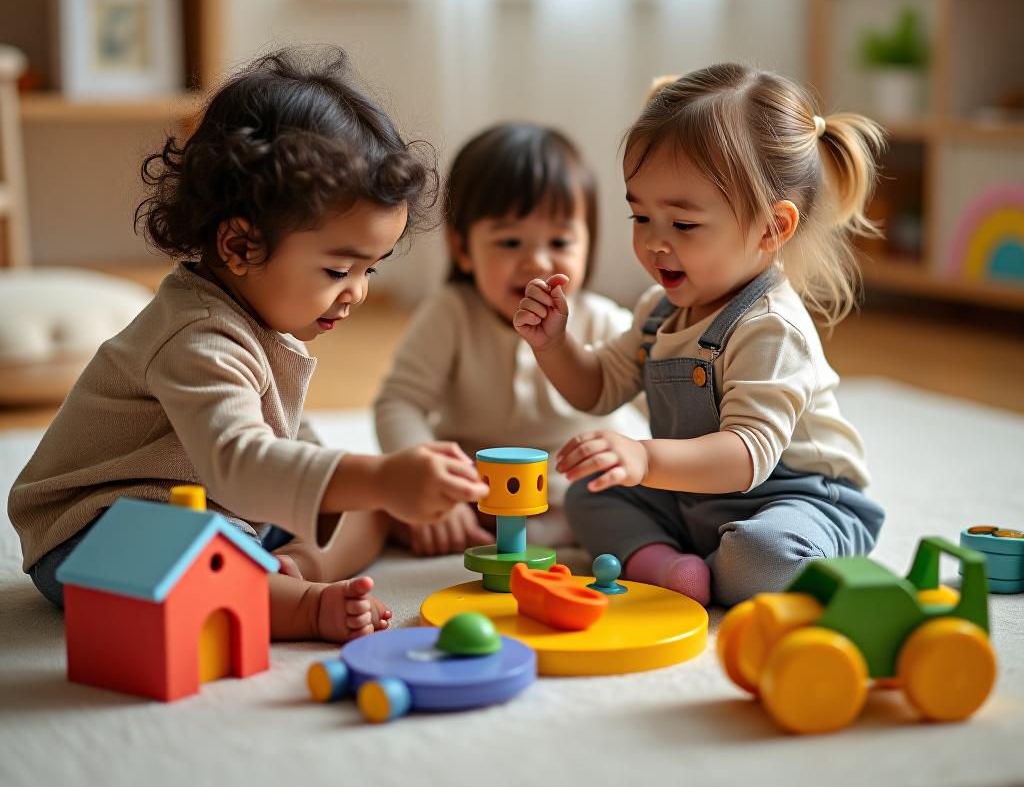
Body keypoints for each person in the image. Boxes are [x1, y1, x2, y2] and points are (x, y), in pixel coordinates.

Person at [8, 46, 487, 642]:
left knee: (359, 503)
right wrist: (383, 476)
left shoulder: (259, 316)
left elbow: (286, 444)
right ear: (239, 247)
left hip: (229, 512)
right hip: (102, 529)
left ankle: (298, 573)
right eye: (339, 271)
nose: (358, 293)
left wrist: (374, 493)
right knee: (221, 552)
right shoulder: (196, 336)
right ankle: (302, 605)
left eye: (372, 270)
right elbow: (240, 463)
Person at [513, 64, 887, 607]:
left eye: (683, 225)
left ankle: (739, 563)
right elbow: (597, 389)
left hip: (798, 500)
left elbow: (746, 455)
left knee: (763, 555)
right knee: (587, 495)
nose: (655, 243)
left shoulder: (770, 328)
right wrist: (554, 345)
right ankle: (670, 567)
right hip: (694, 498)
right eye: (640, 216)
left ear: (771, 228)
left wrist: (643, 456)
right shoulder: (657, 311)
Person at [374, 122, 648, 554]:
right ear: (464, 250)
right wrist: (426, 473)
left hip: (575, 495)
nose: (536, 260)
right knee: (379, 501)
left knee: (638, 504)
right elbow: (399, 402)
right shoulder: (450, 314)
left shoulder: (603, 321)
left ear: (588, 244)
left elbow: (661, 400)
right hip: (475, 493)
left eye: (559, 240)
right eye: (509, 241)